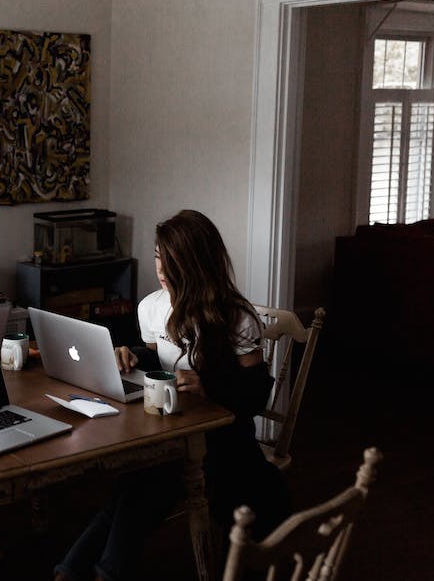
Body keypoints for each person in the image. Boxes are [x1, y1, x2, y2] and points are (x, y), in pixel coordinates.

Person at [54, 210, 291, 581]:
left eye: (171, 259)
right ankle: (77, 570)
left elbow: (257, 391)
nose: (161, 268)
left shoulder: (236, 317)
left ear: (196, 263)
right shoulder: (150, 307)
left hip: (221, 438)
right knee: (131, 487)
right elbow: (159, 356)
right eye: (157, 255)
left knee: (140, 487)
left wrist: (208, 384)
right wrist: (132, 354)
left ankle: (92, 571)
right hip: (169, 427)